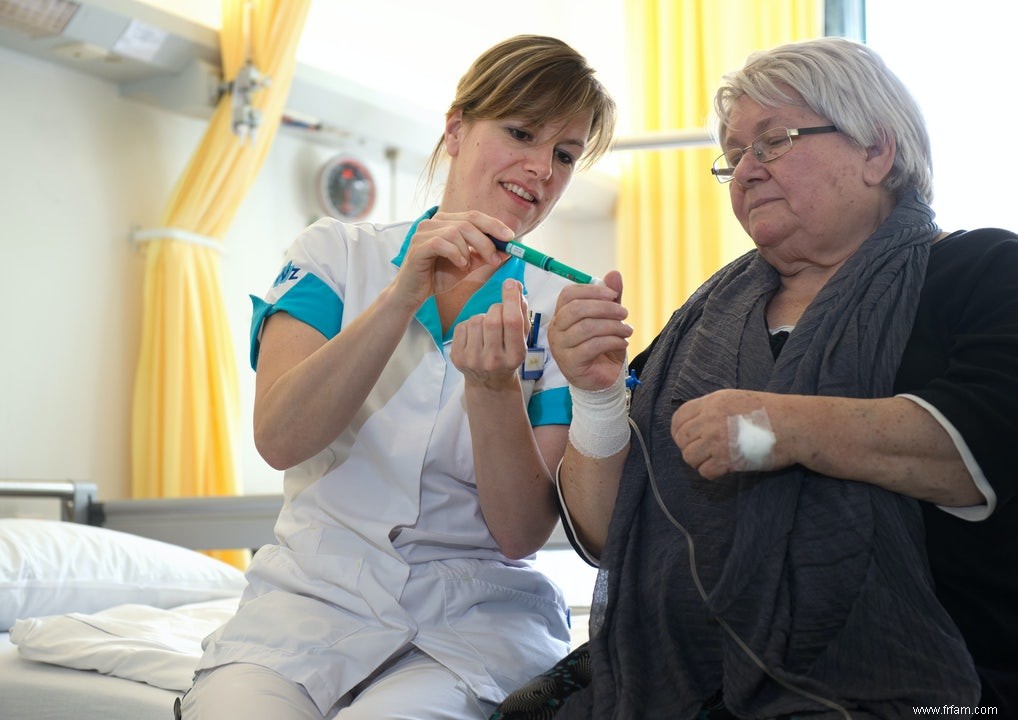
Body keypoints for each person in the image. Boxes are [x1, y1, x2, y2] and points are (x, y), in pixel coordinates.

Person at [533, 37, 1017, 718]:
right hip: (678, 676)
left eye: (775, 140)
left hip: (927, 682)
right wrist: (596, 395)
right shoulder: (698, 324)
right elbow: (609, 532)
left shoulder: (983, 269)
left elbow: (981, 454)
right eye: (733, 156)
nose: (746, 172)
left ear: (876, 152)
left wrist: (774, 428)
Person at [177, 35, 616, 720]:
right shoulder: (335, 255)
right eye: (522, 132)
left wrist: (494, 388)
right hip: (308, 609)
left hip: (472, 622)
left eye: (564, 154)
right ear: (456, 128)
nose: (540, 168)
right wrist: (402, 294)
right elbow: (281, 438)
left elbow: (520, 534)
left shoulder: (558, 315)